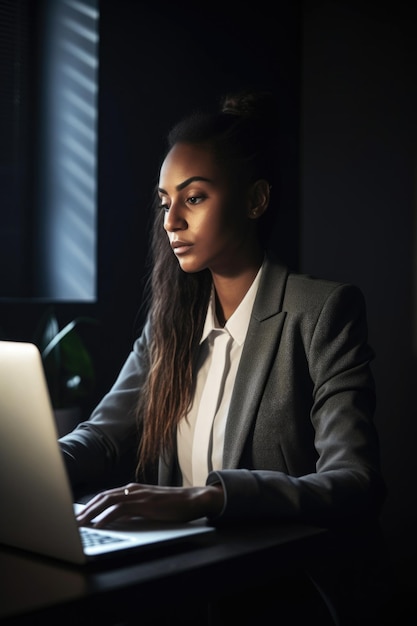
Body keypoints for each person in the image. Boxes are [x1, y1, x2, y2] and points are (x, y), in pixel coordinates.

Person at [59, 90, 387, 625]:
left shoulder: (323, 311)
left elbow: (354, 481)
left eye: (194, 198)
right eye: (165, 202)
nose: (171, 223)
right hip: (182, 587)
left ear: (256, 200)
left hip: (288, 596)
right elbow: (100, 436)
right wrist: (29, 469)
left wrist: (205, 499)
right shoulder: (170, 326)